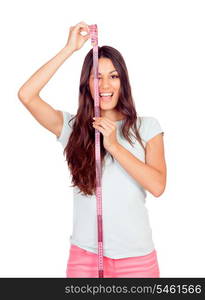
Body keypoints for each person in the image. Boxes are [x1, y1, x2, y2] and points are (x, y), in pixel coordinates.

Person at [18, 21, 167, 278]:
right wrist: (69, 49)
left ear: (124, 82)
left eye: (113, 76)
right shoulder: (72, 127)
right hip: (84, 259)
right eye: (97, 76)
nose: (105, 86)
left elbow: (157, 186)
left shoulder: (147, 127)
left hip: (137, 261)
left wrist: (114, 145)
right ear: (86, 82)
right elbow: (26, 95)